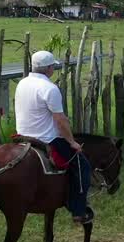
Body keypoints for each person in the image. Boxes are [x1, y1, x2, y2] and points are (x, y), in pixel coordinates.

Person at [14, 50, 93, 224]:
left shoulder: (22, 83)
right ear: (49, 68)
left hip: (22, 136)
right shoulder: (50, 88)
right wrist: (72, 142)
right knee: (82, 167)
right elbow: (60, 120)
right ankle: (79, 210)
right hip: (46, 139)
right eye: (53, 67)